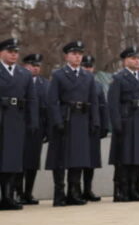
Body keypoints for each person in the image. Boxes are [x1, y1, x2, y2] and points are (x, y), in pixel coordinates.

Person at [46, 40, 100, 206]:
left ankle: (73, 192)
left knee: (78, 157)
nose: (77, 57)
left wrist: (95, 121)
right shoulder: (58, 75)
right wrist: (57, 120)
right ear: (66, 56)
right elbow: (52, 100)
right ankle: (59, 193)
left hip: (81, 118)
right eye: (74, 54)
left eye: (79, 54)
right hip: (65, 117)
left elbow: (93, 101)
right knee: (60, 158)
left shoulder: (88, 76)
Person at [108, 46, 139, 202]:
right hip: (126, 119)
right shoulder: (119, 78)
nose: (136, 61)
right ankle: (121, 190)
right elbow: (113, 103)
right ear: (125, 61)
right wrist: (117, 123)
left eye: (138, 58)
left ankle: (135, 188)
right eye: (133, 58)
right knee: (124, 157)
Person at [0, 38, 38, 210]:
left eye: (16, 52)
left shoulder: (24, 74)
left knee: (12, 160)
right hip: (2, 117)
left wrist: (32, 121)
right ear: (1, 53)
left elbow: (31, 99)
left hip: (17, 120)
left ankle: (8, 197)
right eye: (10, 51)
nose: (14, 55)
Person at [17, 52, 47, 205]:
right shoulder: (19, 80)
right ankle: (18, 192)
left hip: (37, 128)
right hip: (20, 125)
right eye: (32, 65)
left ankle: (28, 192)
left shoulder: (44, 84)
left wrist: (47, 130)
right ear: (25, 66)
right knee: (18, 161)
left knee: (33, 162)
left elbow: (47, 108)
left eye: (38, 66)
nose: (35, 69)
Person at [80, 55, 108, 202]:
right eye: (85, 66)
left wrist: (104, 125)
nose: (88, 69)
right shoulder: (77, 82)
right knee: (78, 160)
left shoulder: (97, 85)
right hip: (79, 126)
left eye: (90, 67)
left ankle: (87, 189)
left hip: (93, 126)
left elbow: (103, 106)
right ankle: (75, 190)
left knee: (91, 161)